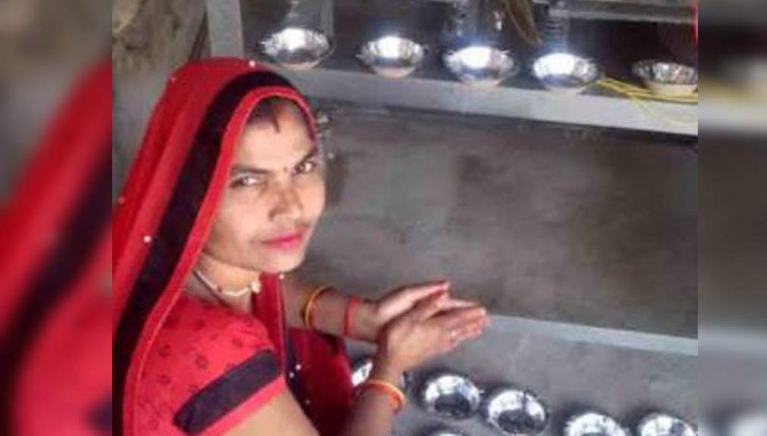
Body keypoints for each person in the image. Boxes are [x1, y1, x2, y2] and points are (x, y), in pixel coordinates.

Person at [113, 58, 490, 436]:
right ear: (188, 193)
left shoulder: (172, 255)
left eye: (302, 168)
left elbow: (260, 285)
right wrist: (388, 370)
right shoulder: (212, 352)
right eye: (247, 181)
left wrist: (360, 317)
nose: (291, 206)